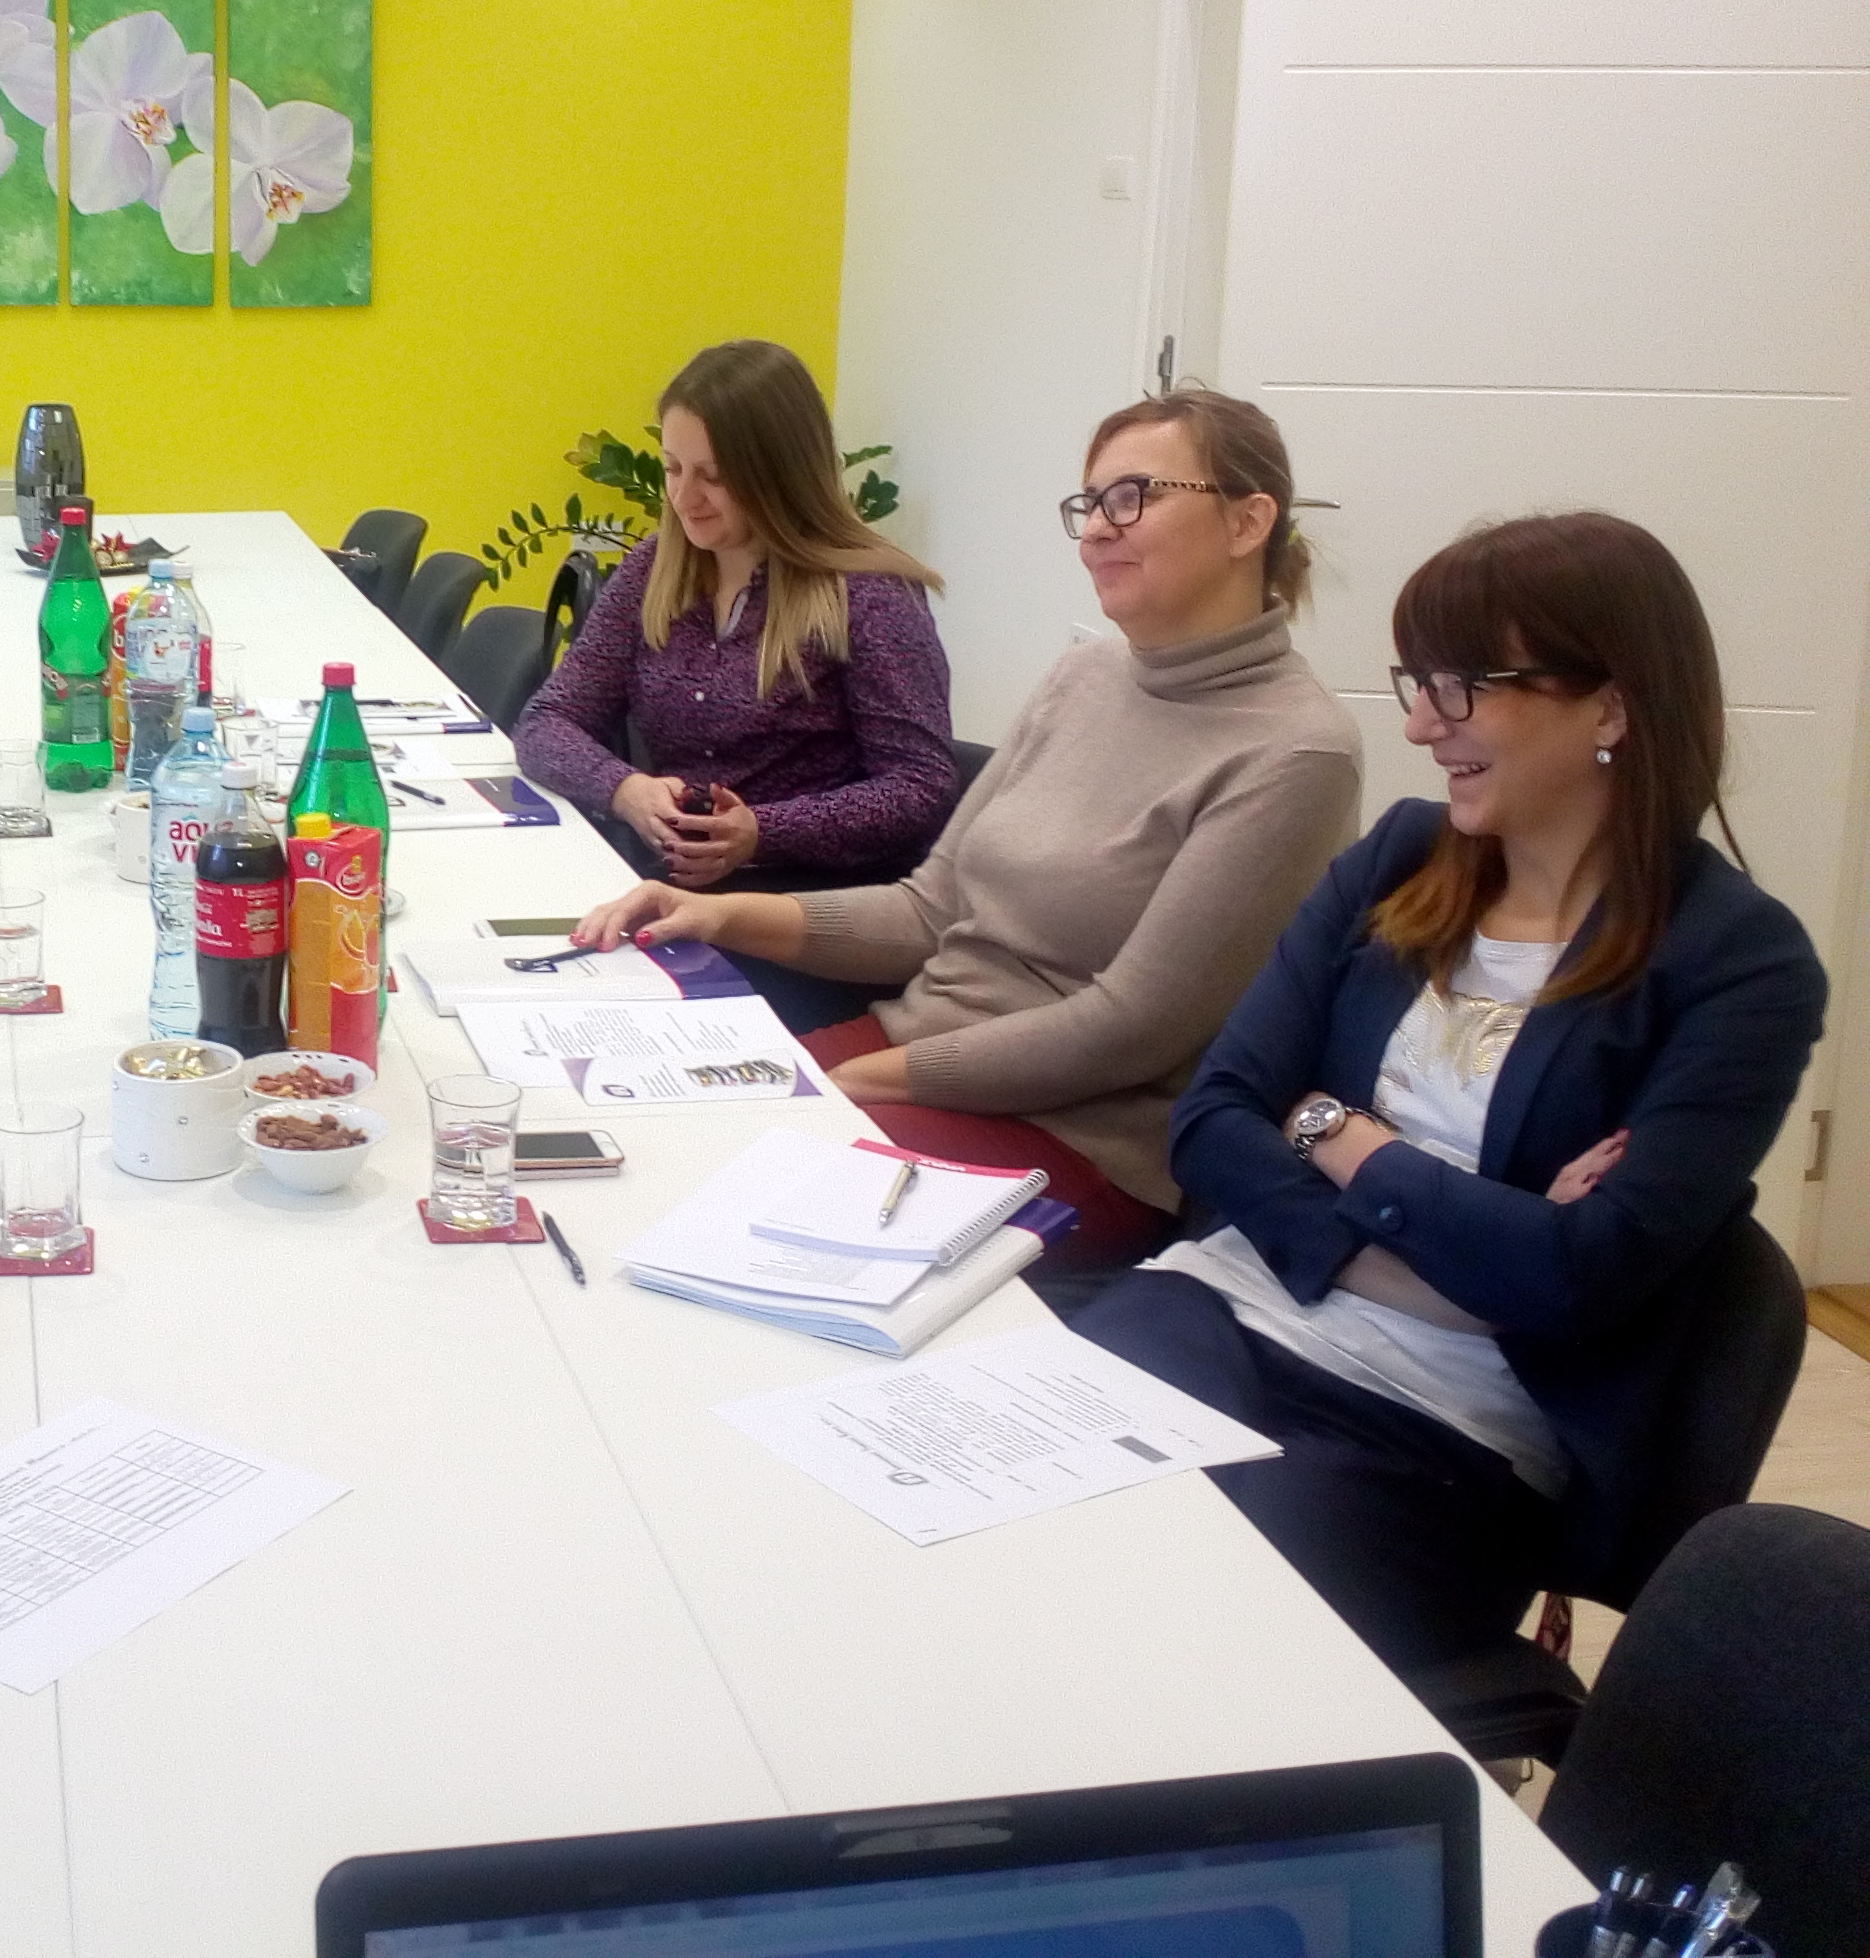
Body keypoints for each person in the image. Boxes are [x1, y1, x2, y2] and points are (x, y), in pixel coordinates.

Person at [1071, 514, 1825, 1674]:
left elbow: (1574, 1281)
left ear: (1611, 708)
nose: (1422, 724)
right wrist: (1455, 1256)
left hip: (1439, 1435)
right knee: (1001, 1518)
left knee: (1188, 1637)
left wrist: (1337, 1137)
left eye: (1463, 687)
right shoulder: (1403, 860)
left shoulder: (1738, 965)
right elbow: (1213, 1120)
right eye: (1417, 683)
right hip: (1217, 1308)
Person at [574, 391, 1360, 1267]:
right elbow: (931, 908)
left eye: (1134, 496)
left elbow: (1128, 1029)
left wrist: (859, 1079)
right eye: (1091, 502)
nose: (1099, 528)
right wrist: (717, 914)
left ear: (1248, 522)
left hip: (1079, 1134)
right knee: (646, 1145)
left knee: (721, 1215)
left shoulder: (1296, 751)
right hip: (914, 1050)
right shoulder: (1084, 676)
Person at [516, 340, 955, 893]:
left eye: (714, 476)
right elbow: (547, 722)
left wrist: (762, 832)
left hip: (807, 904)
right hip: (679, 891)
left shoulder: (870, 595)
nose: (684, 497)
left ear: (781, 475)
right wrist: (625, 790)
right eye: (673, 468)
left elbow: (921, 788)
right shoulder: (655, 568)